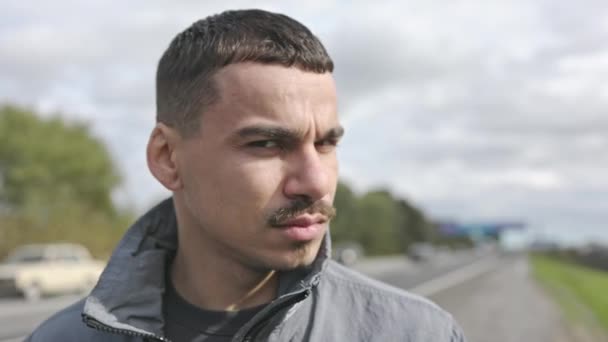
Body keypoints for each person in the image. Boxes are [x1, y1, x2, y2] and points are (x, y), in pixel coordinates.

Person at [27, 9, 466, 342]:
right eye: (266, 144)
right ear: (167, 158)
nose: (314, 183)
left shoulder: (414, 332)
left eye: (326, 144)